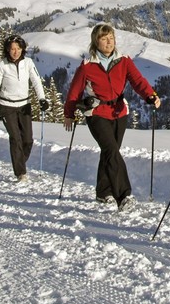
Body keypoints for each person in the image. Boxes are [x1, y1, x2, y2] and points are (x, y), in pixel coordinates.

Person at [63, 23, 161, 211]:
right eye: (103, 38)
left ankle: (102, 191)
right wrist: (68, 113)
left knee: (110, 152)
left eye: (111, 38)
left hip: (118, 112)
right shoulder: (87, 66)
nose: (109, 42)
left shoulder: (123, 60)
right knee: (111, 151)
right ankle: (123, 195)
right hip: (96, 113)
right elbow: (74, 93)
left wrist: (150, 95)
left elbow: (137, 80)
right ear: (96, 41)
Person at [0, 35, 49, 182]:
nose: (15, 52)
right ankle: (20, 172)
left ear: (22, 49)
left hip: (24, 105)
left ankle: (19, 160)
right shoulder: (2, 65)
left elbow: (36, 81)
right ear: (7, 50)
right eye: (12, 49)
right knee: (15, 138)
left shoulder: (28, 63)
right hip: (7, 106)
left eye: (18, 48)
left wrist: (42, 99)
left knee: (28, 139)